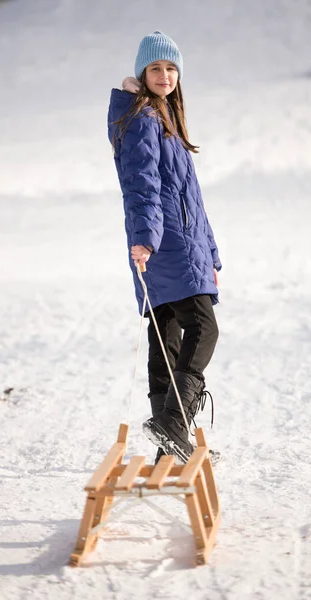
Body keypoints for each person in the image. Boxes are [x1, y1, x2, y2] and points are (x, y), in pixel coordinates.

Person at [107, 31, 222, 463]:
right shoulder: (141, 119)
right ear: (142, 72)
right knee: (203, 328)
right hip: (165, 245)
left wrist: (211, 254)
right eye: (155, 67)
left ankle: (169, 447)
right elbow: (141, 185)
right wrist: (145, 239)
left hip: (182, 245)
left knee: (168, 340)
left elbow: (192, 197)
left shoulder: (164, 118)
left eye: (171, 68)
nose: (165, 75)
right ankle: (173, 425)